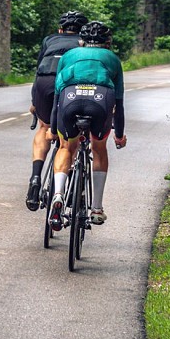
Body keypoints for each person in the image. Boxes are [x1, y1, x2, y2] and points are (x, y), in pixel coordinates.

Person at [48, 21, 127, 228]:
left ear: (81, 41)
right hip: (101, 102)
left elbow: (57, 99)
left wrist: (53, 129)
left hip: (70, 99)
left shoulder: (68, 56)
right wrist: (119, 135)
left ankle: (58, 194)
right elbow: (118, 103)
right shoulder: (113, 59)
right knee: (99, 148)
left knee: (66, 147)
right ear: (107, 42)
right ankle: (97, 208)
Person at [26, 10, 89, 211]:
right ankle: (68, 181)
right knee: (69, 136)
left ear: (60, 29)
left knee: (44, 127)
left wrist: (34, 102)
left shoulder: (49, 40)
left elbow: (38, 69)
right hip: (70, 84)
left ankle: (35, 177)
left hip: (43, 83)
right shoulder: (84, 43)